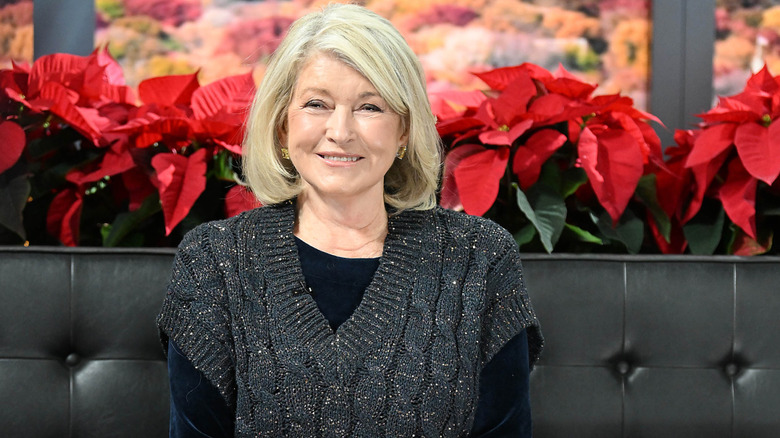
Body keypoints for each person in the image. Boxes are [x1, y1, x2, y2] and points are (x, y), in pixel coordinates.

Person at [157, 4, 543, 437]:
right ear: (283, 126)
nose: (340, 131)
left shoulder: (479, 259)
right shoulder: (215, 260)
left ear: (403, 131)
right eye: (317, 104)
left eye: (370, 107)